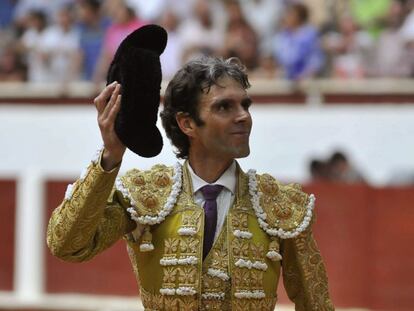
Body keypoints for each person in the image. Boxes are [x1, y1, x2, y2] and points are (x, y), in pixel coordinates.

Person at [47, 56, 334, 310]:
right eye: (224, 107)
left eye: (245, 104)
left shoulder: (281, 205)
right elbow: (68, 245)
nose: (243, 116)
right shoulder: (146, 195)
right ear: (187, 124)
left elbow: (316, 305)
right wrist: (111, 156)